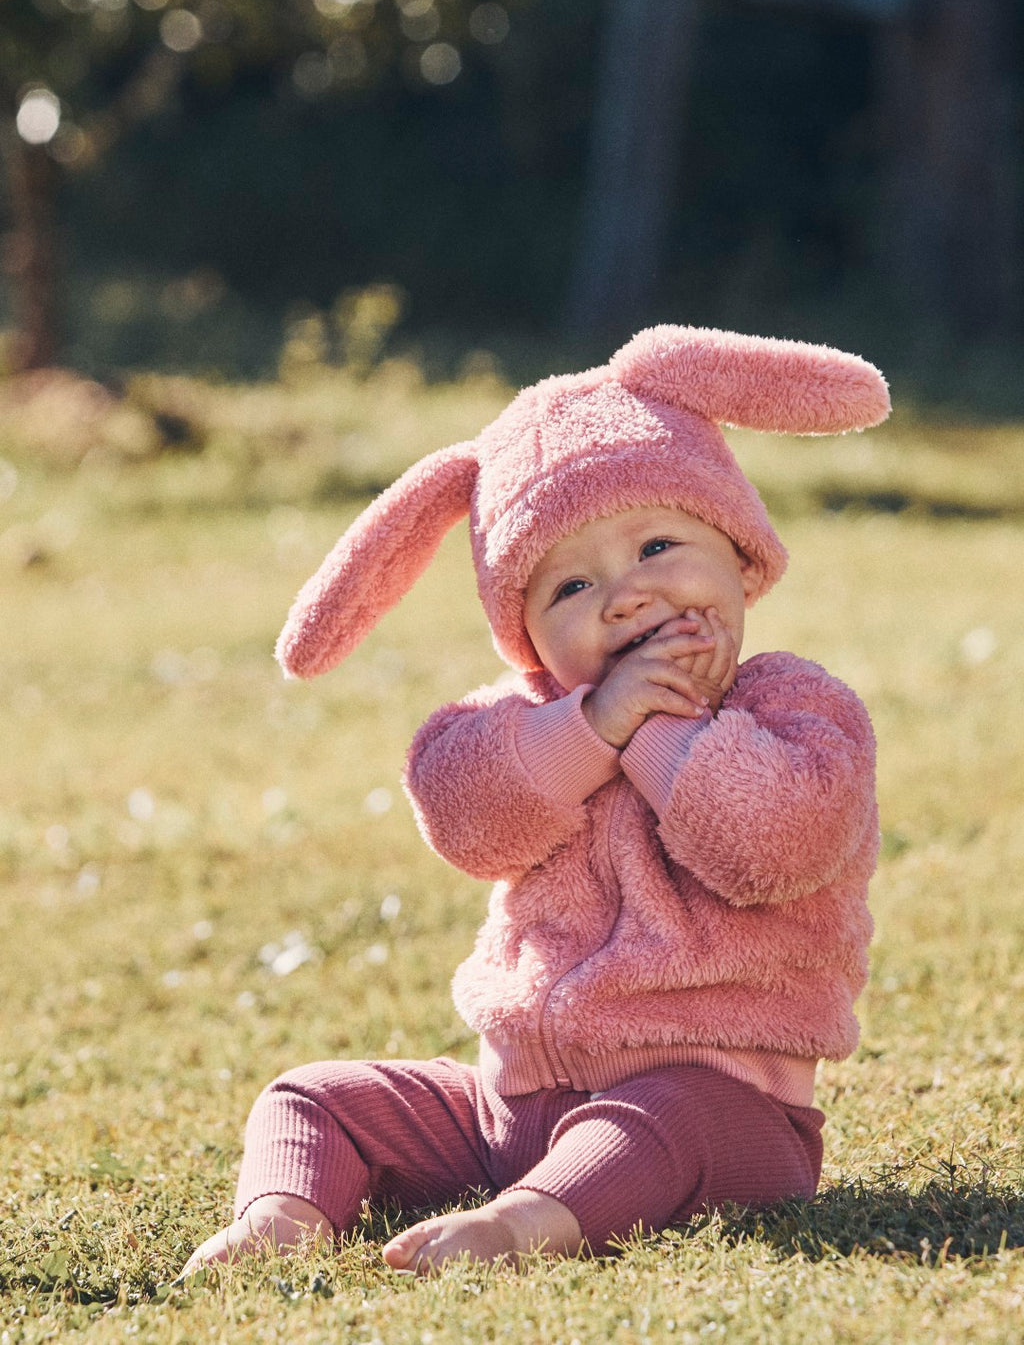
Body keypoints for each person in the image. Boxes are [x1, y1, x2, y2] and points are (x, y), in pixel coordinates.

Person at [182, 325, 890, 1277]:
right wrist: (590, 727)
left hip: (722, 1102)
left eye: (658, 544)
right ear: (524, 634)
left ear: (742, 551)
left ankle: (521, 1225)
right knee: (310, 1095)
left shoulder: (796, 707)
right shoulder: (522, 724)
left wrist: (655, 725)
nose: (625, 596)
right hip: (507, 1105)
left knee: (656, 1123)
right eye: (572, 585)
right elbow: (464, 816)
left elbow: (773, 847)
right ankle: (281, 1216)